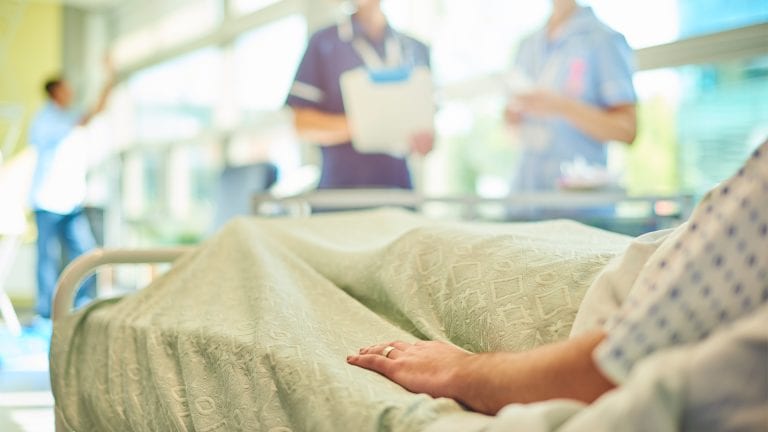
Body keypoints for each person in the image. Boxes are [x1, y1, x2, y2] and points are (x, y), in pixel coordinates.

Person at [348, 141, 768, 424]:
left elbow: (607, 368)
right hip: (608, 255)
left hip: (584, 286)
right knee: (425, 240)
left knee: (420, 245)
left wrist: (460, 370)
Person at [286, 0, 434, 190]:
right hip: (342, 190)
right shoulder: (324, 43)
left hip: (398, 190)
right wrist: (365, 126)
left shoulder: (415, 48)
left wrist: (423, 141)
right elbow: (302, 124)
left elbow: (427, 130)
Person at [505, 0, 637, 193]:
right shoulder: (527, 45)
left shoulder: (603, 40)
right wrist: (512, 116)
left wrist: (562, 107)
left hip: (578, 200)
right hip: (524, 196)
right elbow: (512, 129)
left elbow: (627, 130)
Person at [28, 70, 114, 325]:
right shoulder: (45, 120)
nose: (71, 93)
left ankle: (82, 306)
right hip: (47, 202)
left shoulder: (66, 117)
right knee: (47, 259)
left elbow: (94, 113)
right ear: (55, 92)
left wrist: (109, 80)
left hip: (71, 203)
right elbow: (88, 116)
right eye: (66, 88)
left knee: (86, 253)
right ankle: (45, 313)